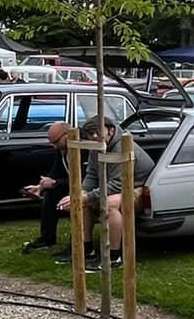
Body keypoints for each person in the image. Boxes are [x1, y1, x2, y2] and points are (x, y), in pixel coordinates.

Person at [61, 116, 156, 271]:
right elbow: (92, 175)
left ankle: (114, 257)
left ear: (111, 131)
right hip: (116, 187)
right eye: (90, 133)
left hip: (139, 187)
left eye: (97, 132)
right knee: (83, 201)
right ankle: (86, 250)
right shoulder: (97, 146)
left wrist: (88, 196)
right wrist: (81, 193)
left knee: (110, 204)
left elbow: (118, 184)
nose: (93, 136)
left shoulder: (122, 146)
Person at [21, 121, 75, 254]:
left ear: (66, 135)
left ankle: (76, 245)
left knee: (72, 202)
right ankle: (47, 238)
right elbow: (56, 171)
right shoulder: (61, 150)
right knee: (50, 195)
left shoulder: (82, 150)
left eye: (56, 142)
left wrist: (55, 183)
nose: (54, 146)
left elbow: (85, 179)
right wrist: (41, 187)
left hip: (86, 188)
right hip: (71, 185)